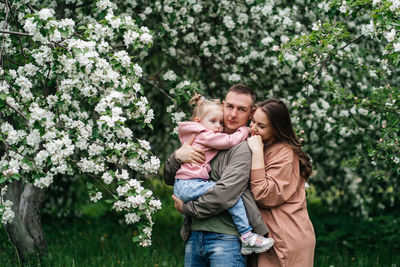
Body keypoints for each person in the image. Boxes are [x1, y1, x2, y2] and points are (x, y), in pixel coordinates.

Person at [164, 84, 270, 266]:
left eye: (241, 109)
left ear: (251, 113)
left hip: (225, 239)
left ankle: (247, 237)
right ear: (223, 105)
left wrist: (187, 209)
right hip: (195, 234)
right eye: (229, 106)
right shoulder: (205, 135)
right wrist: (177, 157)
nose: (233, 114)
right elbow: (169, 179)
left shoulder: (243, 147)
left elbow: (225, 194)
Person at [247, 98, 316, 267]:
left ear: (277, 130)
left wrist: (256, 152)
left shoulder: (284, 153)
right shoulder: (264, 145)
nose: (253, 129)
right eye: (253, 121)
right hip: (271, 237)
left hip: (286, 240)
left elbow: (264, 195)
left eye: (261, 126)